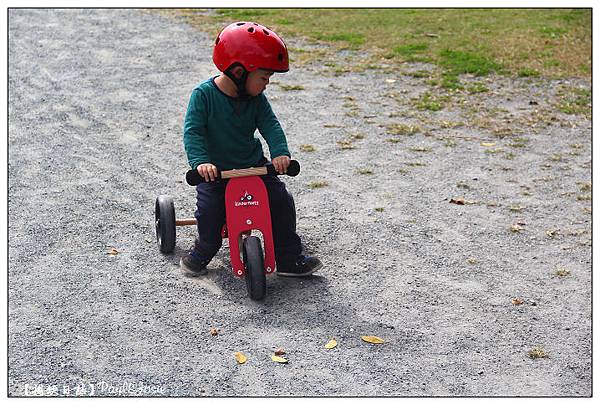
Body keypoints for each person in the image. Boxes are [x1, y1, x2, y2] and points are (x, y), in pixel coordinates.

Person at [181, 21, 322, 277]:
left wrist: (280, 154)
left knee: (280, 200)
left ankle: (289, 257)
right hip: (216, 174)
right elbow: (193, 132)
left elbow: (271, 126)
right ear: (238, 72)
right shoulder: (203, 96)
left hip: (254, 168)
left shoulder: (256, 99)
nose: (266, 84)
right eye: (264, 78)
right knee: (210, 211)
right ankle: (204, 249)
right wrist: (201, 162)